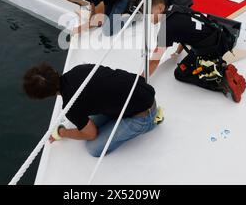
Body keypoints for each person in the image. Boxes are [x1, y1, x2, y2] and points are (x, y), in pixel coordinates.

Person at [23, 63, 163, 157]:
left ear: (44, 96)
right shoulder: (79, 69)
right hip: (141, 88)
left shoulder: (70, 105)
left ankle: (153, 121)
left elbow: (91, 134)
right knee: (92, 122)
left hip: (144, 112)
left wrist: (63, 132)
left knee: (93, 148)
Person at [148, 0, 246, 103]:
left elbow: (154, 61)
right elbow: (184, 34)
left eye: (150, 14)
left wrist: (140, 79)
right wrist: (177, 52)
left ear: (161, 8)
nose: (149, 19)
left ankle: (221, 80)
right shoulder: (175, 8)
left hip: (211, 48)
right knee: (192, 57)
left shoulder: (166, 28)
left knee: (180, 73)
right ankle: (219, 66)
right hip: (219, 36)